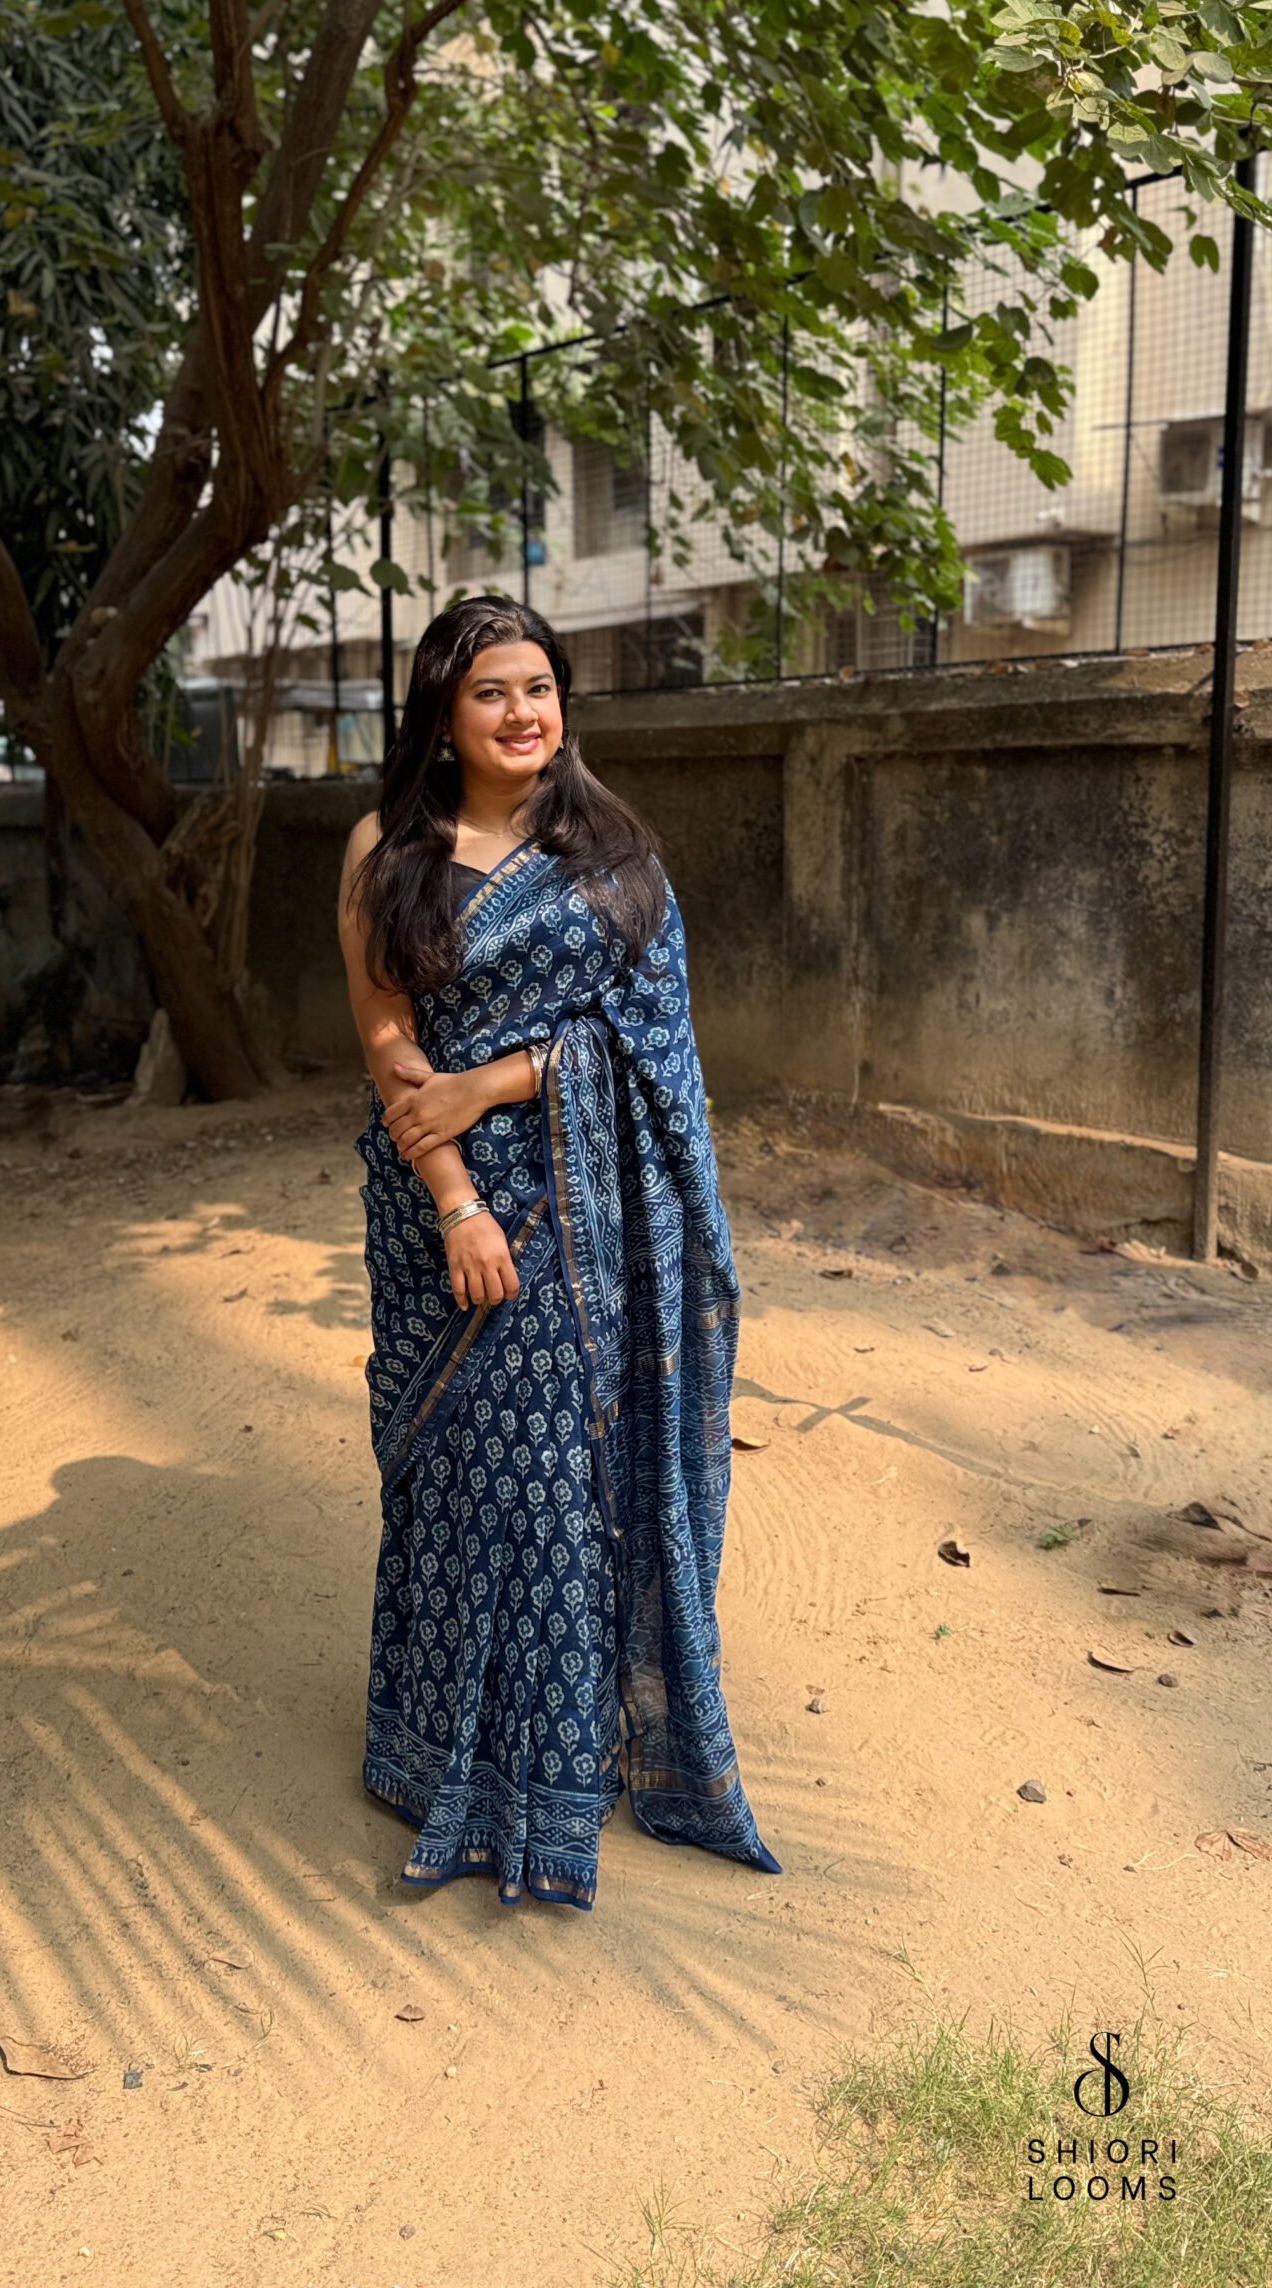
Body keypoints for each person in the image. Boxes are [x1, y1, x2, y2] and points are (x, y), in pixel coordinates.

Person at [337, 592, 777, 1909]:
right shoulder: (384, 847)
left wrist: (497, 1083)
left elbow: (652, 1051)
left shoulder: (614, 856)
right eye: (492, 692)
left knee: (547, 1485)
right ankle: (430, 1751)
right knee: (453, 1473)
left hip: (586, 1219)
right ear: (443, 712)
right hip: (441, 1213)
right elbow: (383, 1041)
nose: (524, 712)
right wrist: (459, 1196)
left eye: (540, 687)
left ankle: (546, 1767)